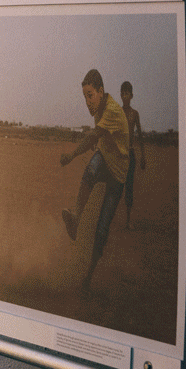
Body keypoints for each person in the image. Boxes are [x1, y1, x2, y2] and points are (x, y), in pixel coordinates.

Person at [58, 69, 130, 291]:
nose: (88, 102)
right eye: (84, 97)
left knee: (101, 230)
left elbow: (92, 137)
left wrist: (71, 155)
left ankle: (88, 277)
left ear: (100, 92)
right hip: (104, 156)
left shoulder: (111, 111)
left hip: (118, 173)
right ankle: (77, 219)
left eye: (90, 96)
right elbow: (95, 139)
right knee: (90, 171)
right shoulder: (99, 109)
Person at [120, 81, 147, 229]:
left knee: (129, 187)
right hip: (118, 154)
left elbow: (140, 135)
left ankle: (128, 220)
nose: (125, 96)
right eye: (122, 93)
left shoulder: (134, 114)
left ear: (132, 95)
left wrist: (143, 155)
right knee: (115, 186)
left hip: (130, 154)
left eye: (127, 93)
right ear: (120, 95)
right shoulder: (117, 112)